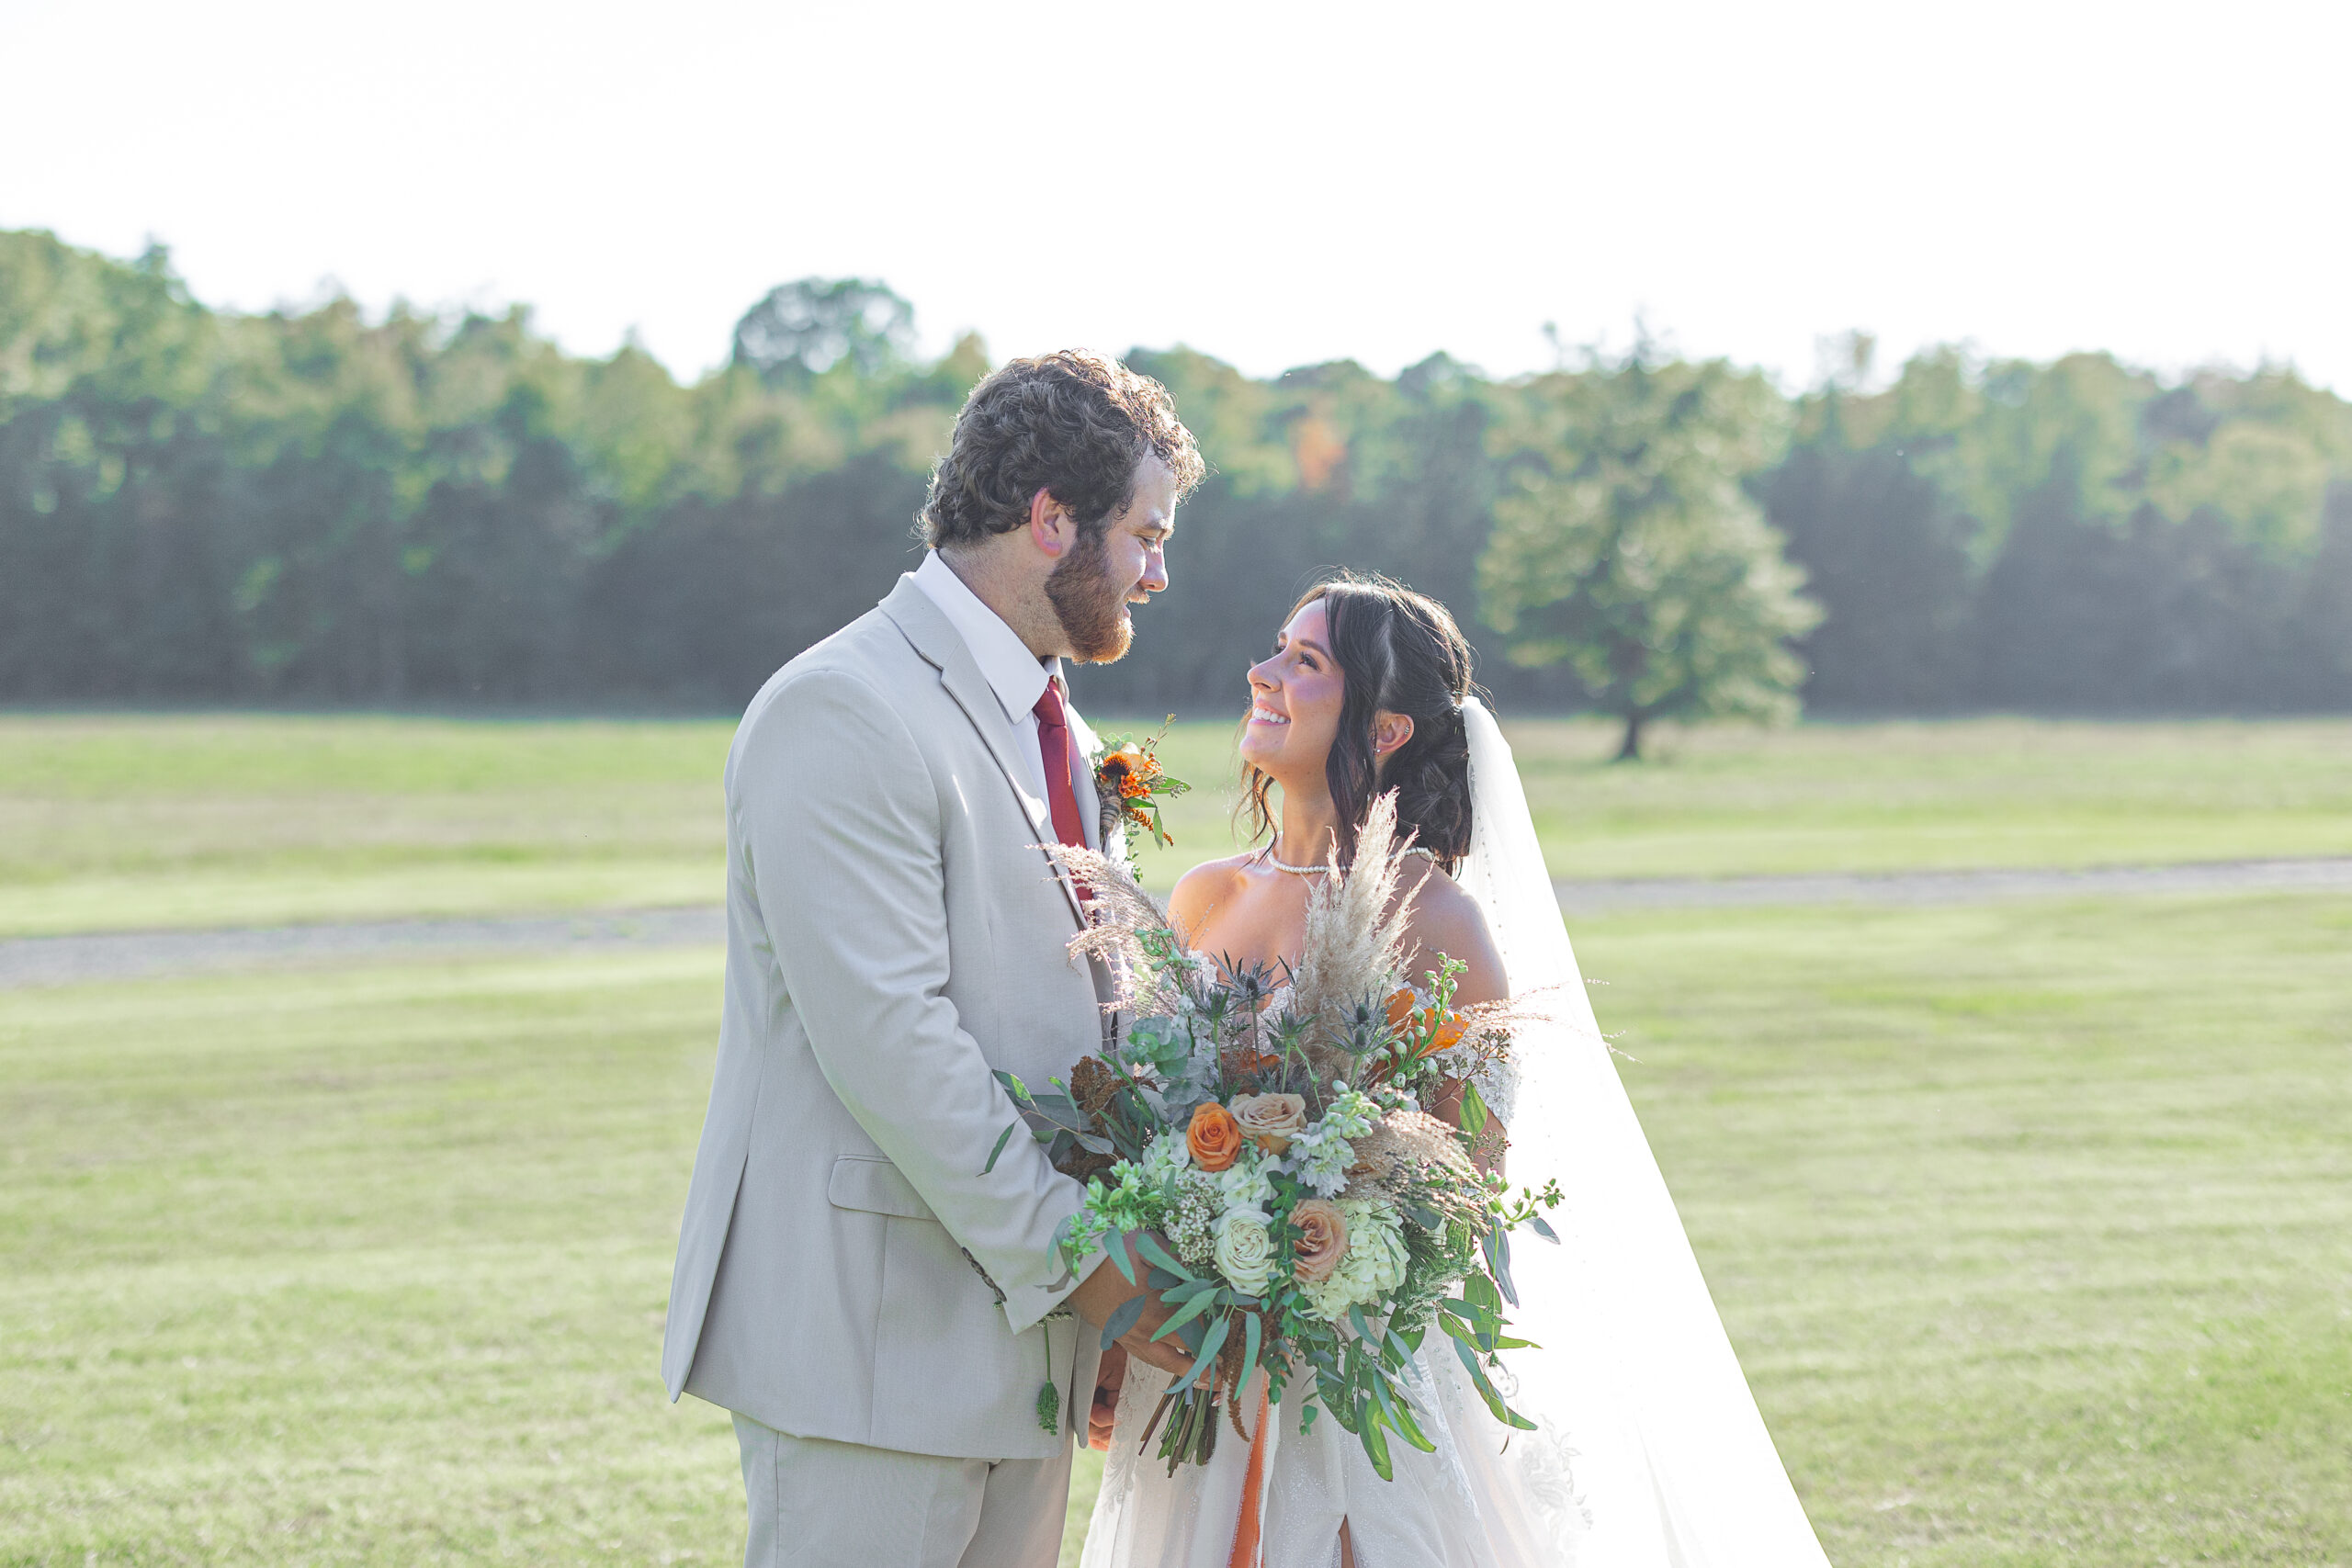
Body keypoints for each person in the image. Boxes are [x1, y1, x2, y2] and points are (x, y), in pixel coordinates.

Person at [1082, 575, 1833, 1567]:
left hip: (1350, 1391)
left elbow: (1466, 1181)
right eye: (1276, 649)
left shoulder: (1436, 924)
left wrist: (1311, 1240)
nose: (1262, 675)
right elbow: (1139, 1131)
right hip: (1195, 1375)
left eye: (1305, 663)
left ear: (1386, 730)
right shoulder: (1203, 895)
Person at [662, 350, 1205, 1568]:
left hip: (1030, 1358)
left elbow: (1103, 1019)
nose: (1158, 571)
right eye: (1143, 533)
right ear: (1048, 518)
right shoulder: (843, 706)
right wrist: (1090, 1271)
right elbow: (893, 1042)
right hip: (875, 1347)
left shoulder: (1067, 730)